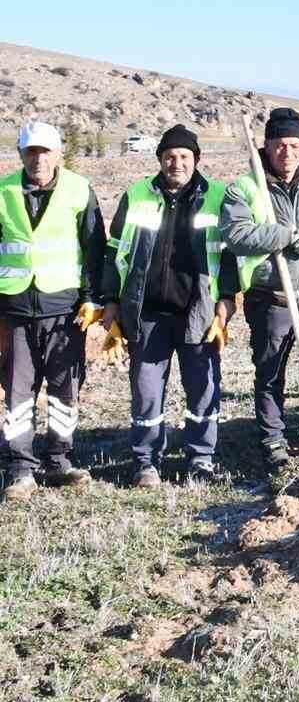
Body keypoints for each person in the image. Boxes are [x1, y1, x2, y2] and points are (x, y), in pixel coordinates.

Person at [100, 125, 238, 486]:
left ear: (196, 160)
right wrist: (111, 302)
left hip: (199, 313)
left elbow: (230, 257)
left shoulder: (218, 196)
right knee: (146, 391)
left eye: (184, 157)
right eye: (170, 156)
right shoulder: (137, 195)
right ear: (160, 159)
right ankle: (146, 461)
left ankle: (201, 458)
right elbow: (115, 250)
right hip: (148, 314)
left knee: (202, 386)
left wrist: (226, 301)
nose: (176, 163)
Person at [220, 107, 299, 471]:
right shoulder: (244, 187)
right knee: (271, 368)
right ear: (266, 145)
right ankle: (273, 439)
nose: (287, 152)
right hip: (269, 295)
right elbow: (237, 234)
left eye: (294, 145)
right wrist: (288, 236)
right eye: (280, 144)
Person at [1, 121, 107, 502]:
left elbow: (95, 249)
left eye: (45, 151)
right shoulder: (4, 190)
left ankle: (59, 460)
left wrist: (93, 299)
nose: (38, 159)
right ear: (21, 155)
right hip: (14, 307)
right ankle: (20, 468)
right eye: (31, 152)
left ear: (58, 153)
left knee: (65, 389)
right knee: (17, 391)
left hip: (64, 310)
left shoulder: (79, 189)